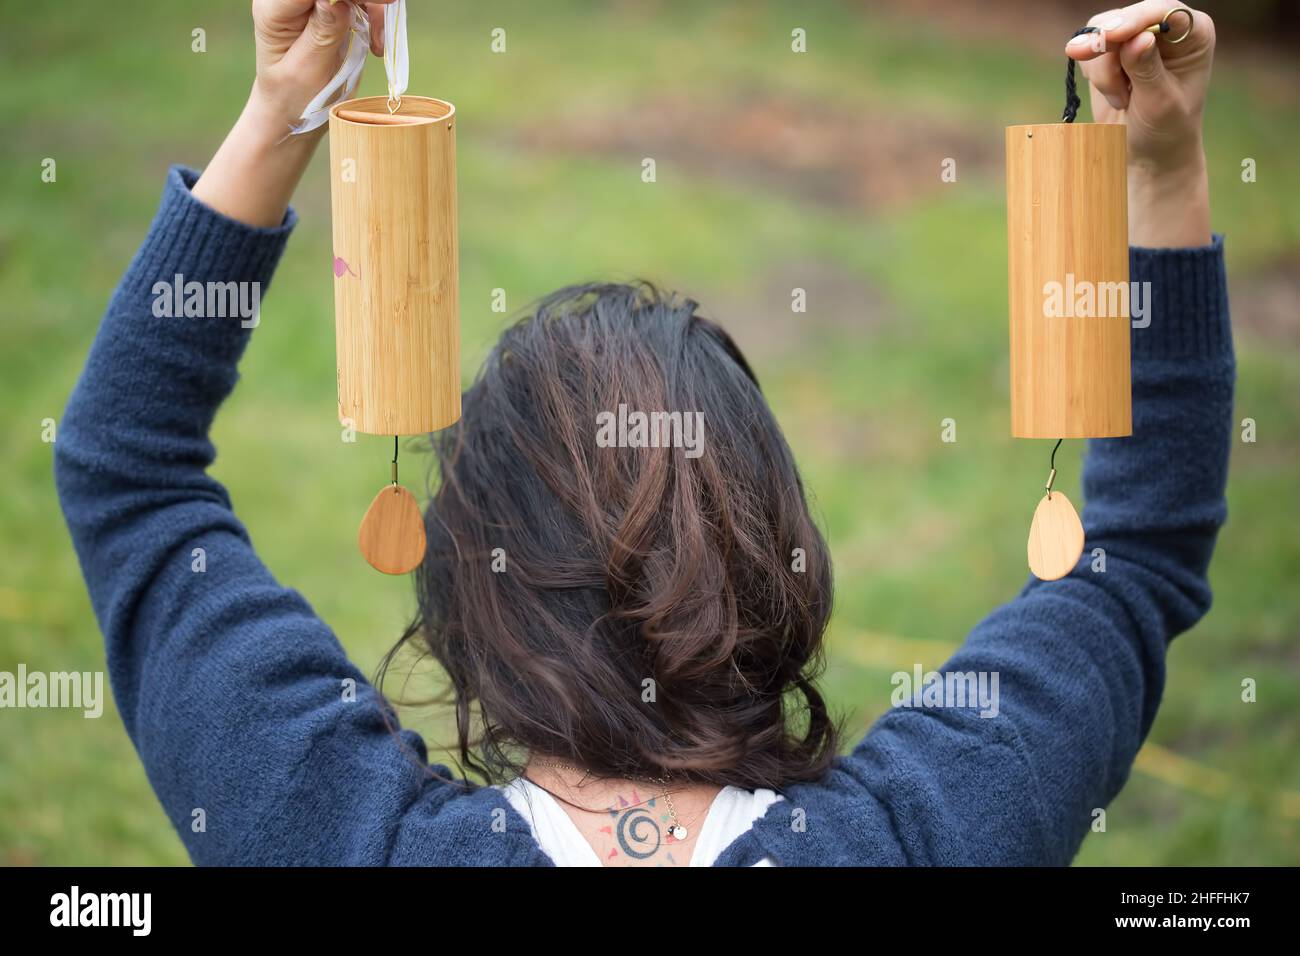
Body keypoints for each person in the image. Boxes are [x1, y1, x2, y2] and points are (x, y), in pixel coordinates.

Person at [55, 0, 1232, 865]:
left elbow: (129, 470)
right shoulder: (924, 836)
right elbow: (1134, 557)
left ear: (475, 579)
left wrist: (284, 109)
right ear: (778, 560)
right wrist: (1164, 163)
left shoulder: (342, 835)